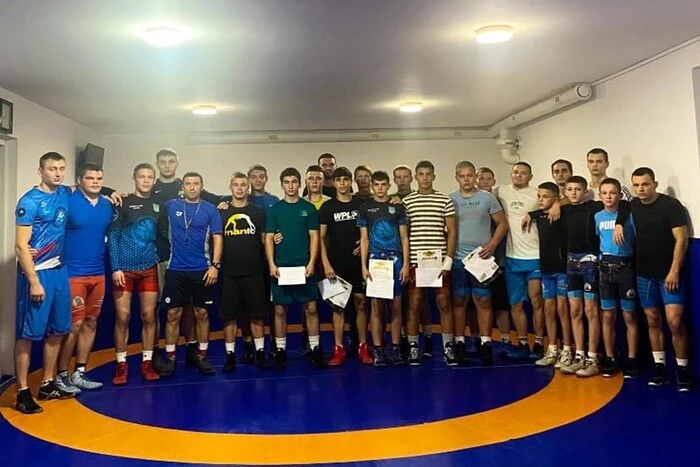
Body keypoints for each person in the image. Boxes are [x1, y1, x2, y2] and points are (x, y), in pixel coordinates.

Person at [539, 175, 629, 377]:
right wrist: (555, 204)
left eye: (577, 189)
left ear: (586, 190)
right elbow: (541, 212)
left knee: (591, 310)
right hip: (571, 263)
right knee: (575, 310)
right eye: (569, 189)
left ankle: (593, 356)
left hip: (590, 263)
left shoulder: (594, 207)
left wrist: (620, 224)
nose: (573, 193)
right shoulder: (563, 210)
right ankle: (578, 354)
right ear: (565, 192)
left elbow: (623, 206)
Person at [14, 152, 75, 414]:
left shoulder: (64, 193)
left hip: (59, 271)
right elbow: (20, 246)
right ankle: (22, 391)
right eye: (52, 169)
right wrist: (33, 281)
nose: (58, 173)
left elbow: (82, 187)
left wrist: (113, 193)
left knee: (59, 330)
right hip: (37, 274)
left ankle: (47, 383)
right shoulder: (29, 201)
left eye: (61, 168)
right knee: (28, 334)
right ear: (41, 171)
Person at [626, 167, 690, 390]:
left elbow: (681, 240)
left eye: (645, 184)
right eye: (636, 185)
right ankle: (660, 366)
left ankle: (682, 369)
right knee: (652, 320)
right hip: (644, 274)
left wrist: (674, 270)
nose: (641, 189)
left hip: (668, 274)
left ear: (655, 183)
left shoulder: (671, 206)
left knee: (674, 321)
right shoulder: (632, 205)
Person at [54, 163, 113, 394]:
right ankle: (61, 375)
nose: (95, 182)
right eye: (90, 178)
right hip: (73, 273)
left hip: (98, 273)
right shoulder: (68, 200)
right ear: (80, 180)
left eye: (99, 178)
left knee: (91, 322)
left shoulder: (107, 206)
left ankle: (80, 371)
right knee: (74, 324)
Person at [159, 172, 223, 377]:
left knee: (201, 314)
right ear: (183, 186)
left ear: (201, 186)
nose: (192, 187)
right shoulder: (170, 206)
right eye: (188, 184)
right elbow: (146, 197)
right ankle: (170, 358)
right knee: (172, 314)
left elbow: (218, 238)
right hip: (175, 269)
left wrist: (215, 265)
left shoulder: (210, 209)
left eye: (196, 184)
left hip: (202, 269)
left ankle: (202, 357)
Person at [108, 163, 164, 384]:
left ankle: (147, 363)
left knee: (149, 317)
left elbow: (164, 235)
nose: (146, 180)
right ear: (134, 178)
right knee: (123, 318)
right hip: (124, 271)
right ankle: (121, 365)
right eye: (142, 176)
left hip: (149, 268)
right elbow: (113, 236)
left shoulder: (160, 207)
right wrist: (115, 267)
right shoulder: (124, 203)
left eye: (150, 177)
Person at [266, 167, 325, 369]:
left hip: (304, 267)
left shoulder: (308, 209)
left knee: (310, 308)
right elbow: (268, 239)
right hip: (282, 269)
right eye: (286, 182)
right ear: (282, 184)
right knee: (280, 309)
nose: (290, 185)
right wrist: (272, 263)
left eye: (294, 181)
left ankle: (315, 348)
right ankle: (281, 350)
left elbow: (314, 238)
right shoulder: (274, 210)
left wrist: (311, 263)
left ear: (300, 184)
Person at [449, 161, 507, 365]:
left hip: (482, 259)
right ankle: (459, 343)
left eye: (469, 175)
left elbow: (502, 224)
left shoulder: (487, 198)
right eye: (462, 175)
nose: (466, 179)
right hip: (458, 259)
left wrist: (492, 244)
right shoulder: (450, 199)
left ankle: (485, 343)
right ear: (456, 177)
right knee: (459, 300)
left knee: (483, 301)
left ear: (475, 176)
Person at [403, 161, 457, 366]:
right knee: (414, 303)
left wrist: (448, 260)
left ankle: (448, 347)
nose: (425, 178)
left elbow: (452, 231)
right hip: (417, 262)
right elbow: (404, 235)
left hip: (439, 262)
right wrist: (407, 262)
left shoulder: (445, 200)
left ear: (434, 176)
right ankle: (413, 347)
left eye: (428, 174)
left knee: (443, 303)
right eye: (421, 174)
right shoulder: (407, 202)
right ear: (416, 177)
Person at [493, 162, 545, 361]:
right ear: (511, 174)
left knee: (536, 301)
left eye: (524, 173)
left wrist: (545, 208)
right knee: (515, 305)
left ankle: (539, 343)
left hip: (535, 256)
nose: (519, 175)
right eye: (516, 172)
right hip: (512, 258)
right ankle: (523, 343)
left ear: (530, 176)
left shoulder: (537, 192)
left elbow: (560, 199)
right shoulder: (501, 191)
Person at [357, 171, 410, 366]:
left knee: (396, 306)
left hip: (396, 262)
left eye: (383, 184)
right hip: (375, 262)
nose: (380, 188)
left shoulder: (397, 207)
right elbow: (364, 239)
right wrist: (363, 266)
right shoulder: (365, 209)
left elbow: (405, 238)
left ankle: (395, 348)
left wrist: (405, 263)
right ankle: (378, 349)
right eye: (376, 184)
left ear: (388, 185)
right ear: (372, 186)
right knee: (376, 307)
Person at [319, 167, 371, 366]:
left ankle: (363, 347)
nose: (342, 183)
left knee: (361, 304)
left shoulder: (361, 204)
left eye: (345, 179)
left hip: (358, 264)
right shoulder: (327, 207)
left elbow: (370, 231)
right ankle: (338, 349)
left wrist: (364, 245)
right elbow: (321, 238)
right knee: (338, 307)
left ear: (351, 182)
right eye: (338, 180)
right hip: (336, 264)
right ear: (333, 183)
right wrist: (326, 263)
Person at [219, 172, 269, 371]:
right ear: (230, 187)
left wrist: (276, 240)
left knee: (257, 315)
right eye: (236, 185)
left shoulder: (258, 213)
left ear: (248, 188)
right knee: (229, 317)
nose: (239, 188)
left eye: (243, 185)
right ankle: (230, 355)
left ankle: (259, 353)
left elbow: (265, 241)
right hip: (230, 273)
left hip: (254, 271)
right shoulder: (221, 212)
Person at [595, 178, 638, 378]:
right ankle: (610, 358)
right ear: (600, 195)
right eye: (605, 193)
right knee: (608, 315)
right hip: (605, 269)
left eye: (613, 193)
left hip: (625, 267)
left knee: (629, 315)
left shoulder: (629, 215)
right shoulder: (597, 217)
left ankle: (632, 359)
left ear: (620, 195)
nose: (609, 197)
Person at [528, 182, 572, 369]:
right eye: (539, 196)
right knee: (548, 309)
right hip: (546, 269)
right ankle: (553, 347)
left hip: (562, 268)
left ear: (555, 198)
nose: (540, 199)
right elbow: (536, 212)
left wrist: (558, 204)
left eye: (545, 196)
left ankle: (568, 349)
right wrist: (529, 214)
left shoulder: (563, 212)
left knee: (563, 309)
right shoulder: (538, 215)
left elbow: (570, 199)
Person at [476, 167, 514, 358]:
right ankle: (477, 341)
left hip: (497, 260)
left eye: (488, 178)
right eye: (481, 178)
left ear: (493, 181)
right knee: (476, 302)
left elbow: (504, 226)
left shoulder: (500, 201)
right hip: (474, 261)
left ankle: (506, 340)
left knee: (500, 304)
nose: (484, 181)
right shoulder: (470, 202)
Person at [246, 164, 280, 363]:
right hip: (250, 259)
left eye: (261, 176)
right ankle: (250, 344)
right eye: (254, 177)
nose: (258, 180)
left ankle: (276, 343)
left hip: (272, 259)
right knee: (250, 305)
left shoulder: (274, 201)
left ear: (266, 179)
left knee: (274, 303)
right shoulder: (241, 199)